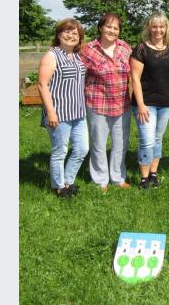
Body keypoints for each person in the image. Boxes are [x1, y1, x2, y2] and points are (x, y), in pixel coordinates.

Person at [37, 18, 89, 198]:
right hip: (59, 113)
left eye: (75, 33)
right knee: (60, 151)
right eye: (67, 32)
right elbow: (42, 84)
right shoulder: (52, 55)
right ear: (59, 34)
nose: (71, 36)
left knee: (82, 149)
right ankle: (59, 187)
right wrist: (50, 112)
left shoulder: (77, 56)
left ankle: (68, 181)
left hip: (78, 112)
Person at [80, 12, 133, 191]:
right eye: (108, 26)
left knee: (121, 143)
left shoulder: (125, 48)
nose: (112, 30)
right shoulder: (89, 50)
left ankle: (118, 177)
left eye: (115, 28)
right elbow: (79, 76)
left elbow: (134, 74)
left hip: (122, 103)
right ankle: (100, 179)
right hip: (97, 103)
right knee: (98, 143)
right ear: (101, 28)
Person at [130, 12, 169, 189]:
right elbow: (135, 78)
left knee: (158, 139)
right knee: (147, 140)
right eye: (154, 26)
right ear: (149, 28)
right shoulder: (141, 49)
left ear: (166, 28)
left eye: (162, 26)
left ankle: (153, 174)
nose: (158, 30)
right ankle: (143, 179)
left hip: (166, 104)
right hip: (146, 104)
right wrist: (141, 104)